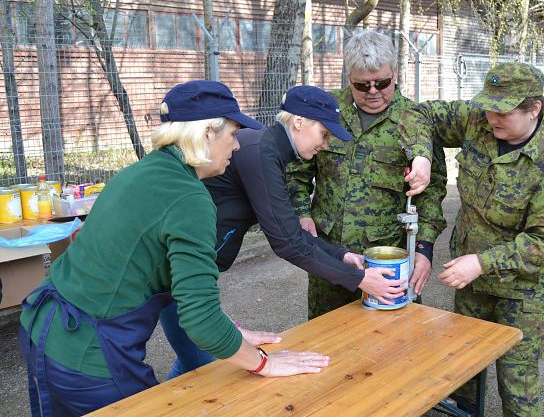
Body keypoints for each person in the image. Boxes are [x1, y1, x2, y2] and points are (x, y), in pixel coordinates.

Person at [18, 80, 330, 417]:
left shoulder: (141, 172)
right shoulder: (190, 198)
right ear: (207, 134)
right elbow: (201, 321)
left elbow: (180, 289)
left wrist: (235, 332)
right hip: (89, 353)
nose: (237, 146)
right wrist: (264, 364)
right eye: (233, 134)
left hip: (42, 330)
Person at [160, 84, 406, 379]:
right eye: (324, 133)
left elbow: (290, 230)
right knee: (207, 366)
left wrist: (341, 256)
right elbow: (288, 243)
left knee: (194, 363)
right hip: (178, 276)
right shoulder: (261, 151)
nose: (325, 145)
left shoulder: (269, 152)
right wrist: (360, 279)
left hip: (181, 275)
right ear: (299, 122)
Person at [416, 62, 544, 416]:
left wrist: (482, 262)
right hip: (472, 282)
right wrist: (422, 155)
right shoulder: (478, 120)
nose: (492, 117)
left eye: (503, 110)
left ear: (533, 108)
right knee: (464, 373)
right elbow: (420, 114)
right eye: (489, 106)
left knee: (517, 383)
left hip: (523, 291)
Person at [286, 30, 447, 319]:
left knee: (393, 342)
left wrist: (424, 250)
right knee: (327, 337)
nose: (373, 92)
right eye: (362, 85)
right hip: (329, 256)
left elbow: (432, 192)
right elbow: (296, 169)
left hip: (388, 258)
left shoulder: (415, 121)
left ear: (395, 73)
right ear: (348, 77)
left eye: (382, 83)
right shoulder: (326, 112)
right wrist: (301, 212)